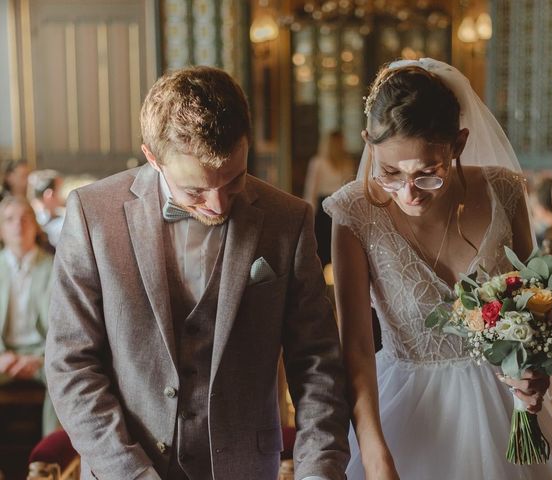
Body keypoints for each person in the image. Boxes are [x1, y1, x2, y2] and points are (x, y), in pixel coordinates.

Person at [45, 66, 350, 480]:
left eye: (234, 179)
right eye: (195, 191)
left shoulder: (288, 220)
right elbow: (71, 364)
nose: (220, 205)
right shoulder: (92, 216)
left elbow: (317, 364)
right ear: (152, 157)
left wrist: (319, 470)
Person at [324, 58, 552, 479]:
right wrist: (375, 454)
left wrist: (534, 373)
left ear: (459, 144)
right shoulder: (354, 212)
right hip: (405, 415)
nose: (408, 192)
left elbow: (534, 304)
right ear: (368, 145)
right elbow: (354, 346)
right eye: (390, 172)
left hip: (503, 412)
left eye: (429, 173)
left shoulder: (505, 191)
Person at [0, 196, 58, 435]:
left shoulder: (55, 266)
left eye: (25, 218)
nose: (18, 225)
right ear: (1, 229)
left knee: (66, 381)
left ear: (35, 226)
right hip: (4, 353)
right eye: (9, 219)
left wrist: (43, 357)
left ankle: (51, 464)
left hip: (45, 355)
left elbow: (66, 324)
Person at [303, 130, 355, 266]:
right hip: (323, 208)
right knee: (323, 246)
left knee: (341, 244)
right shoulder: (318, 162)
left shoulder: (346, 162)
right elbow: (311, 190)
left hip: (340, 204)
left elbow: (349, 188)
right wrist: (309, 217)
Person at [29, 169, 66, 248]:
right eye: (60, 191)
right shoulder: (62, 223)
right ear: (49, 195)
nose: (62, 197)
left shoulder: (62, 217)